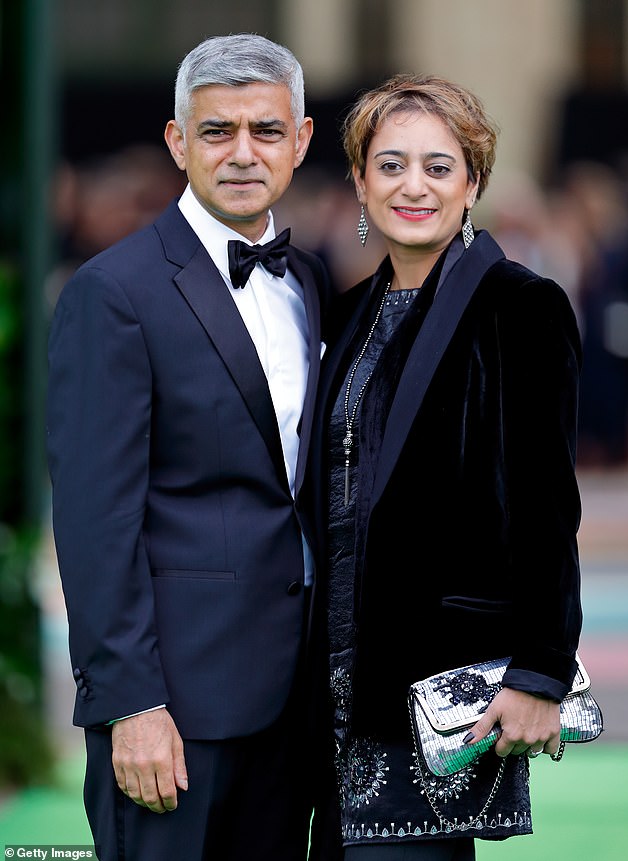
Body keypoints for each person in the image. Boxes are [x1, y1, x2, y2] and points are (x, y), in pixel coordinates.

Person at [46, 33, 334, 861]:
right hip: (171, 715)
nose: (243, 153)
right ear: (179, 142)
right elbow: (95, 524)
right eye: (217, 131)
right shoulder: (112, 293)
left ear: (301, 140)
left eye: (266, 131)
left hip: (293, 704)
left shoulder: (309, 281)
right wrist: (130, 704)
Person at [306, 74, 583, 860]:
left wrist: (539, 671)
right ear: (360, 181)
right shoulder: (347, 310)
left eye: (438, 165)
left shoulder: (520, 306)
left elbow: (545, 503)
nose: (413, 186)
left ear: (474, 181)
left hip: (438, 685)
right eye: (390, 165)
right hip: (332, 689)